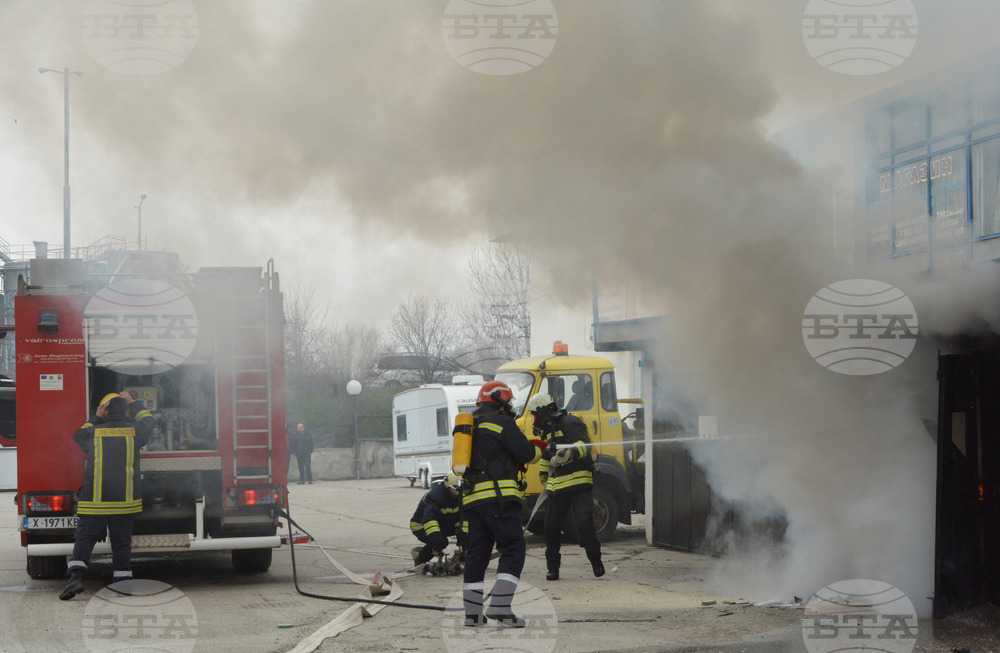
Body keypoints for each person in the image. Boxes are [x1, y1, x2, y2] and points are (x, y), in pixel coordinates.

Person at [461, 380, 546, 628]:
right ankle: (500, 605)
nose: (510, 407)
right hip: (498, 501)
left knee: (477, 555)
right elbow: (527, 453)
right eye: (507, 402)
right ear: (499, 402)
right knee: (513, 549)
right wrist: (539, 448)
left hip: (473, 502)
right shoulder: (502, 423)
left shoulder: (470, 427)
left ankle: (473, 615)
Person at [60, 391, 154, 600]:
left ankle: (75, 579)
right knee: (121, 545)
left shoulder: (94, 432)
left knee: (84, 540)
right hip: (124, 502)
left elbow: (78, 434)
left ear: (106, 412)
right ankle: (122, 586)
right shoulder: (135, 431)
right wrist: (134, 403)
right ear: (127, 412)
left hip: (94, 502)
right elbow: (149, 421)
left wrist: (96, 417)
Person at [526, 392, 604, 582]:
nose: (533, 419)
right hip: (558, 487)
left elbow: (584, 445)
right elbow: (547, 455)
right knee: (550, 527)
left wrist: (569, 453)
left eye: (534, 415)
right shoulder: (548, 431)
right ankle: (553, 569)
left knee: (584, 524)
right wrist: (543, 474)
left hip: (579, 482)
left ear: (542, 411)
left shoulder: (569, 422)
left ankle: (596, 562)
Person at [410, 470, 466, 567]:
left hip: (442, 524)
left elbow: (461, 522)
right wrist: (437, 545)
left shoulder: (460, 496)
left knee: (468, 539)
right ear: (447, 486)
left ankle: (463, 558)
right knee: (441, 541)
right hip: (421, 526)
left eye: (459, 490)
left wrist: (464, 542)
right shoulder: (434, 497)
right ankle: (420, 561)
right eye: (455, 490)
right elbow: (429, 521)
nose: (457, 493)